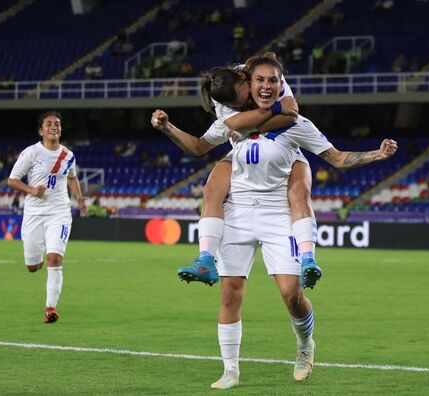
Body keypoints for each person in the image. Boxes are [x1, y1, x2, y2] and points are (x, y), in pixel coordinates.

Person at [151, 54, 397, 389]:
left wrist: (375, 154)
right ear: (248, 82)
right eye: (260, 81)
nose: (267, 86)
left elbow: (337, 157)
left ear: (280, 83)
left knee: (291, 294)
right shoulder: (228, 114)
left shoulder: (294, 122)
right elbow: (197, 145)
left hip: (277, 212)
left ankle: (305, 345)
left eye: (273, 81)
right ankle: (230, 370)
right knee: (229, 293)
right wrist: (167, 127)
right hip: (238, 210)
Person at [175, 55, 324, 290]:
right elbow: (228, 128)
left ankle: (308, 257)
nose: (243, 106)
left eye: (245, 100)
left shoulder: (272, 79)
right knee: (212, 188)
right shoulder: (223, 101)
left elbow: (291, 113)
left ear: (246, 78)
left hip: (282, 151)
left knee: (299, 192)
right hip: (246, 154)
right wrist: (268, 111)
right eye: (238, 107)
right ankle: (205, 258)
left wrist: (250, 124)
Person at [7, 111, 87, 324]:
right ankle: (37, 258)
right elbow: (12, 180)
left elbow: (72, 177)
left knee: (55, 257)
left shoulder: (68, 155)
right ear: (41, 130)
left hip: (59, 212)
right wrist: (32, 189)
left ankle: (50, 308)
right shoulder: (31, 153)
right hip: (34, 213)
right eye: (49, 124)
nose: (54, 127)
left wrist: (80, 199)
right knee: (33, 267)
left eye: (57, 124)